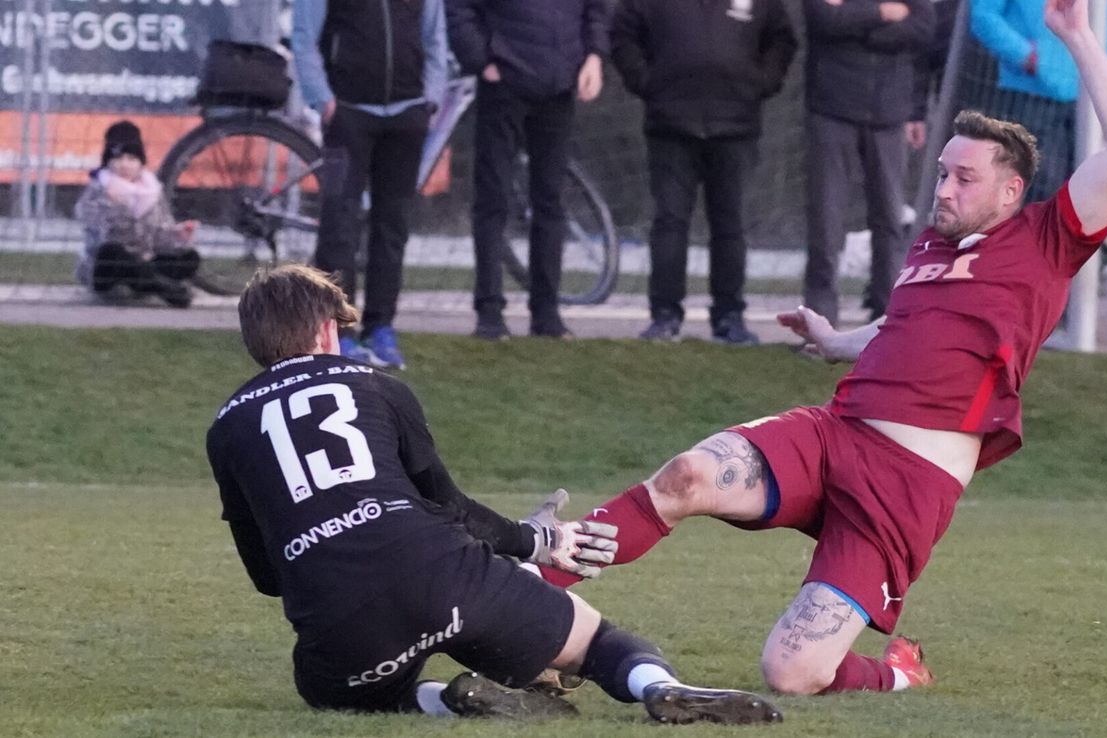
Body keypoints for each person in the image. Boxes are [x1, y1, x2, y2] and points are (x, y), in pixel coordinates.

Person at [540, 0, 1107, 696]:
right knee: (686, 476)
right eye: (943, 172)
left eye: (963, 179)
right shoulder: (931, 245)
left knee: (792, 672)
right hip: (836, 433)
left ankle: (894, 674)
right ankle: (533, 581)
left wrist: (1076, 38)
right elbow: (905, 326)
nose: (943, 188)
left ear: (1012, 190)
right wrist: (837, 342)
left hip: (906, 485)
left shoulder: (1048, 239)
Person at [206, 263, 785, 724]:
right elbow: (447, 507)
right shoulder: (379, 387)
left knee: (333, 691)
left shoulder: (226, 428)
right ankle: (662, 688)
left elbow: (266, 576)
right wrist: (534, 542)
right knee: (597, 642)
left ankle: (444, 701)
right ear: (328, 328)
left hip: (341, 622)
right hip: (445, 576)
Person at [610, 0, 797, 344]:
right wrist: (647, 81)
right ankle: (665, 315)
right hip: (671, 124)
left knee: (730, 226)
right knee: (669, 222)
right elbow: (622, 32)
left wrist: (762, 82)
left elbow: (782, 39)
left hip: (736, 125)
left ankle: (729, 316)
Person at [291, 0, 448, 370]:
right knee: (338, 226)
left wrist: (431, 98)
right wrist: (323, 99)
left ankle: (381, 328)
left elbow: (435, 37)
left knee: (392, 226)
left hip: (408, 115)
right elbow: (304, 38)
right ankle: (338, 335)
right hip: (346, 114)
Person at [448, 0, 608, 341]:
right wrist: (482, 60)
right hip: (503, 84)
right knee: (493, 201)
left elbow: (595, 9)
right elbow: (459, 10)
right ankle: (490, 313)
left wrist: (594, 55)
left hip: (559, 89)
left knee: (550, 203)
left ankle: (547, 314)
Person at [800, 0, 933, 327]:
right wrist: (881, 14)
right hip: (832, 108)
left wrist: (855, 28)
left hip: (890, 113)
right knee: (826, 218)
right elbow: (823, 20)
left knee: (889, 218)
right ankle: (820, 321)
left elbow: (923, 28)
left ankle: (889, 318)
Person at [971, 0, 1107, 204]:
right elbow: (983, 16)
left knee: (1091, 194)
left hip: (1092, 96)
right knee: (1036, 189)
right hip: (1028, 96)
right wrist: (1026, 56)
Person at [75, 120, 200, 309]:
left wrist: (179, 234)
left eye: (131, 159)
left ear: (141, 162)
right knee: (112, 254)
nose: (124, 165)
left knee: (190, 257)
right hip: (109, 268)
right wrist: (118, 205)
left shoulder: (153, 191)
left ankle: (152, 283)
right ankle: (167, 290)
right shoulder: (98, 189)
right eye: (118, 159)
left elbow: (160, 237)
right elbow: (103, 236)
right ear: (108, 162)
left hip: (145, 260)